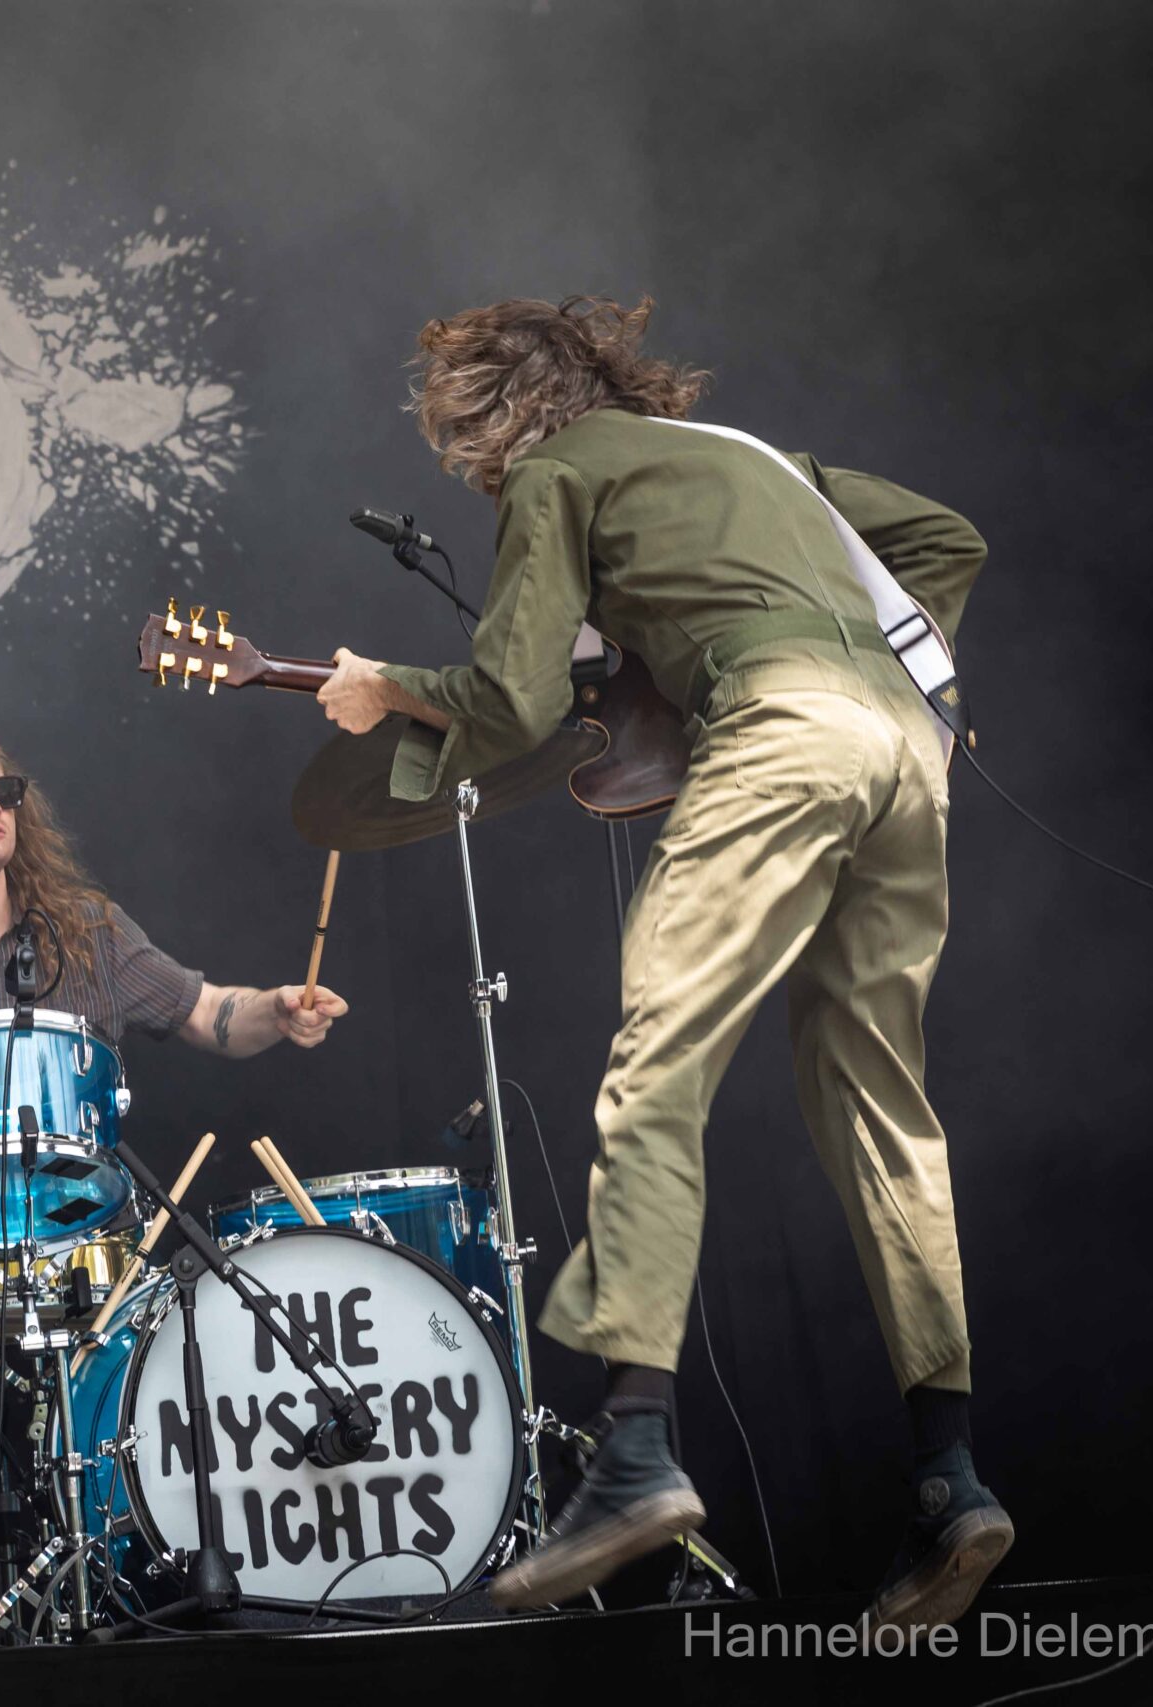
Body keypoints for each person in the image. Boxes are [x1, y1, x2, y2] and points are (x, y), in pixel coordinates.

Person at [313, 296, 1008, 1628]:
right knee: (881, 1106)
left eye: (459, 438)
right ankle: (951, 1477)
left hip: (783, 728)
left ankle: (633, 1448)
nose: (465, 468)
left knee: (660, 1053)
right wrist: (906, 674)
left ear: (496, 413)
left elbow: (512, 698)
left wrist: (386, 687)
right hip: (906, 759)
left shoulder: (555, 472)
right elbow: (945, 540)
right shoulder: (756, 460)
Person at [0, 732, 349, 1152]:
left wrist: (276, 1011)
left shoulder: (88, 935)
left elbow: (207, 1013)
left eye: (4, 792)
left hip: (82, 1227)